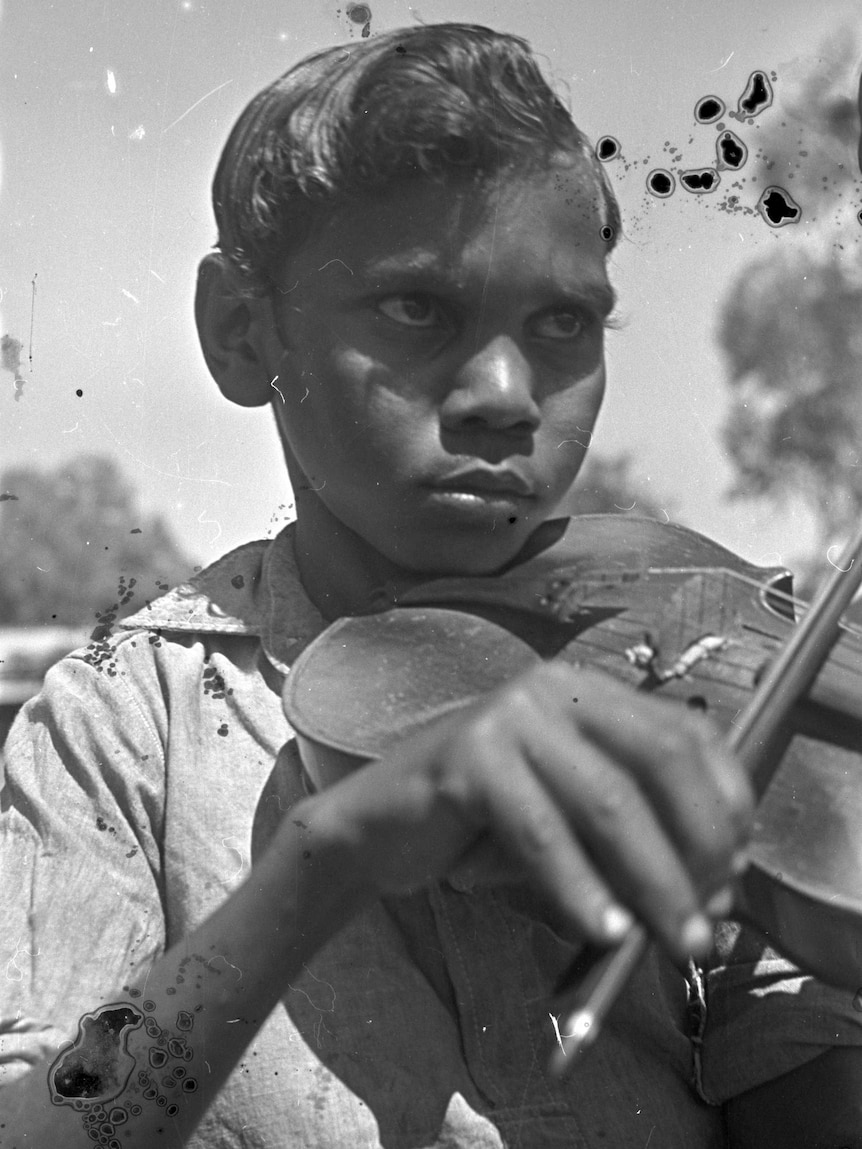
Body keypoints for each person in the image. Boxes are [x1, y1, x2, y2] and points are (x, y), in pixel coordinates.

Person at [1, 23, 861, 1149]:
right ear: (239, 331)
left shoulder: (709, 689)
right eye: (417, 309)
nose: (506, 393)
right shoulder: (127, 723)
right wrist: (323, 864)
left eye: (562, 323)